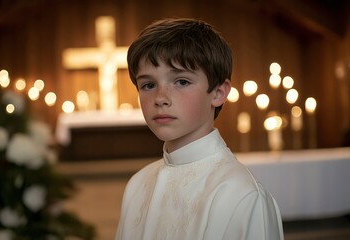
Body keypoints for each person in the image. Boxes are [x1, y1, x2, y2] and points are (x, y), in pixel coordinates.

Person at [116, 18, 284, 240]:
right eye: (148, 85)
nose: (160, 98)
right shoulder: (137, 184)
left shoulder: (241, 194)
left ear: (218, 93)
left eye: (182, 81)